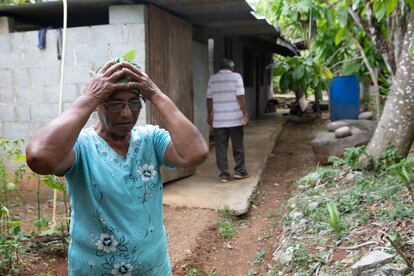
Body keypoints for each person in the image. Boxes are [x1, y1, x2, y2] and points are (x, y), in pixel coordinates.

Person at [26, 60, 209, 275]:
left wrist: (154, 93)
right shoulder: (81, 147)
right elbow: (39, 157)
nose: (127, 114)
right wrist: (88, 97)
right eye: (115, 104)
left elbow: (196, 153)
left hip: (153, 268)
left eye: (134, 102)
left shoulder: (150, 139)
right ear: (97, 105)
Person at [207, 58, 249, 183]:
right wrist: (245, 114)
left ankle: (224, 175)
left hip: (219, 119)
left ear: (220, 67)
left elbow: (209, 99)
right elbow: (240, 96)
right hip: (234, 118)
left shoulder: (212, 79)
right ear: (231, 67)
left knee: (220, 148)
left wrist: (210, 114)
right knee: (238, 146)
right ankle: (240, 171)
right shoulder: (236, 77)